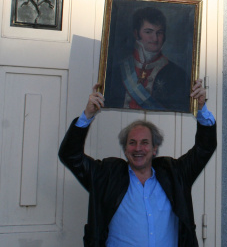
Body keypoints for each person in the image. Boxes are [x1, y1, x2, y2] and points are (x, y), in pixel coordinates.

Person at [58, 79, 216, 246]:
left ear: (155, 148)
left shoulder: (175, 174)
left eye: (145, 143)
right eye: (132, 142)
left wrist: (201, 109)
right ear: (125, 149)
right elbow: (70, 155)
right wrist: (87, 115)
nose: (138, 148)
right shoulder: (105, 176)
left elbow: (204, 148)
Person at [104, 6, 190, 112]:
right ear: (136, 34)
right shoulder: (116, 72)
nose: (155, 38)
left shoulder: (178, 75)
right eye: (148, 32)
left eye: (159, 32)